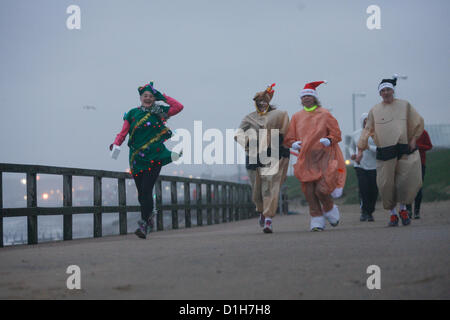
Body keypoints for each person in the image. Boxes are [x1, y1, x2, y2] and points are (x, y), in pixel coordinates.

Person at [110, 81, 183, 239]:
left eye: (151, 96)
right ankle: (149, 219)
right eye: (145, 96)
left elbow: (178, 107)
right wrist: (116, 144)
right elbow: (123, 133)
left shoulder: (159, 111)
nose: (148, 98)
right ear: (140, 97)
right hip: (136, 159)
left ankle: (144, 225)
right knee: (141, 194)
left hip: (154, 157)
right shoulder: (132, 114)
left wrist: (162, 96)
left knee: (146, 189)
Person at [356, 76, 424, 227]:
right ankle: (393, 214)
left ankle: (403, 210)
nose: (386, 92)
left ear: (393, 91)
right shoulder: (375, 110)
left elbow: (417, 122)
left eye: (388, 89)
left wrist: (413, 139)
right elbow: (367, 130)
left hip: (403, 148)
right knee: (387, 184)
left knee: (404, 182)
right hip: (385, 152)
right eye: (383, 90)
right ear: (380, 93)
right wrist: (360, 150)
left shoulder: (405, 106)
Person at [283, 81, 346, 232]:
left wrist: (328, 139)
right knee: (309, 191)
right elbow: (289, 137)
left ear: (314, 98)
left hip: (324, 156)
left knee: (322, 190)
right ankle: (316, 219)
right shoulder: (297, 117)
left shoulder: (325, 114)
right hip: (306, 159)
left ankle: (330, 209)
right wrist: (293, 144)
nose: (306, 99)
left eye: (309, 97)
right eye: (304, 97)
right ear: (301, 100)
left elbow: (337, 134)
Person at [234, 83, 290, 233]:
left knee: (269, 187)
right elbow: (238, 134)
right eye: (259, 101)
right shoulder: (249, 118)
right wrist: (248, 144)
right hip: (253, 156)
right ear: (256, 103)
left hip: (272, 154)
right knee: (257, 190)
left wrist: (285, 145)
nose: (262, 103)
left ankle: (268, 218)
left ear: (269, 101)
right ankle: (261, 211)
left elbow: (286, 132)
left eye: (265, 101)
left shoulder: (279, 115)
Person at [351, 113, 378, 222]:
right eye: (365, 121)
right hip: (360, 165)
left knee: (373, 190)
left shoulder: (377, 135)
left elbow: (380, 149)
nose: (367, 123)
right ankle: (364, 212)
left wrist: (369, 147)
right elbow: (351, 147)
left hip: (374, 166)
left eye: (369, 120)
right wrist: (353, 155)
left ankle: (370, 211)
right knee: (363, 189)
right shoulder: (356, 134)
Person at [406, 129, 432, 219]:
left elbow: (429, 146)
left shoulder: (424, 132)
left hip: (421, 163)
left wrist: (417, 146)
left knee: (418, 187)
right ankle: (408, 210)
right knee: (407, 187)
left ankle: (417, 211)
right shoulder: (406, 132)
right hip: (407, 163)